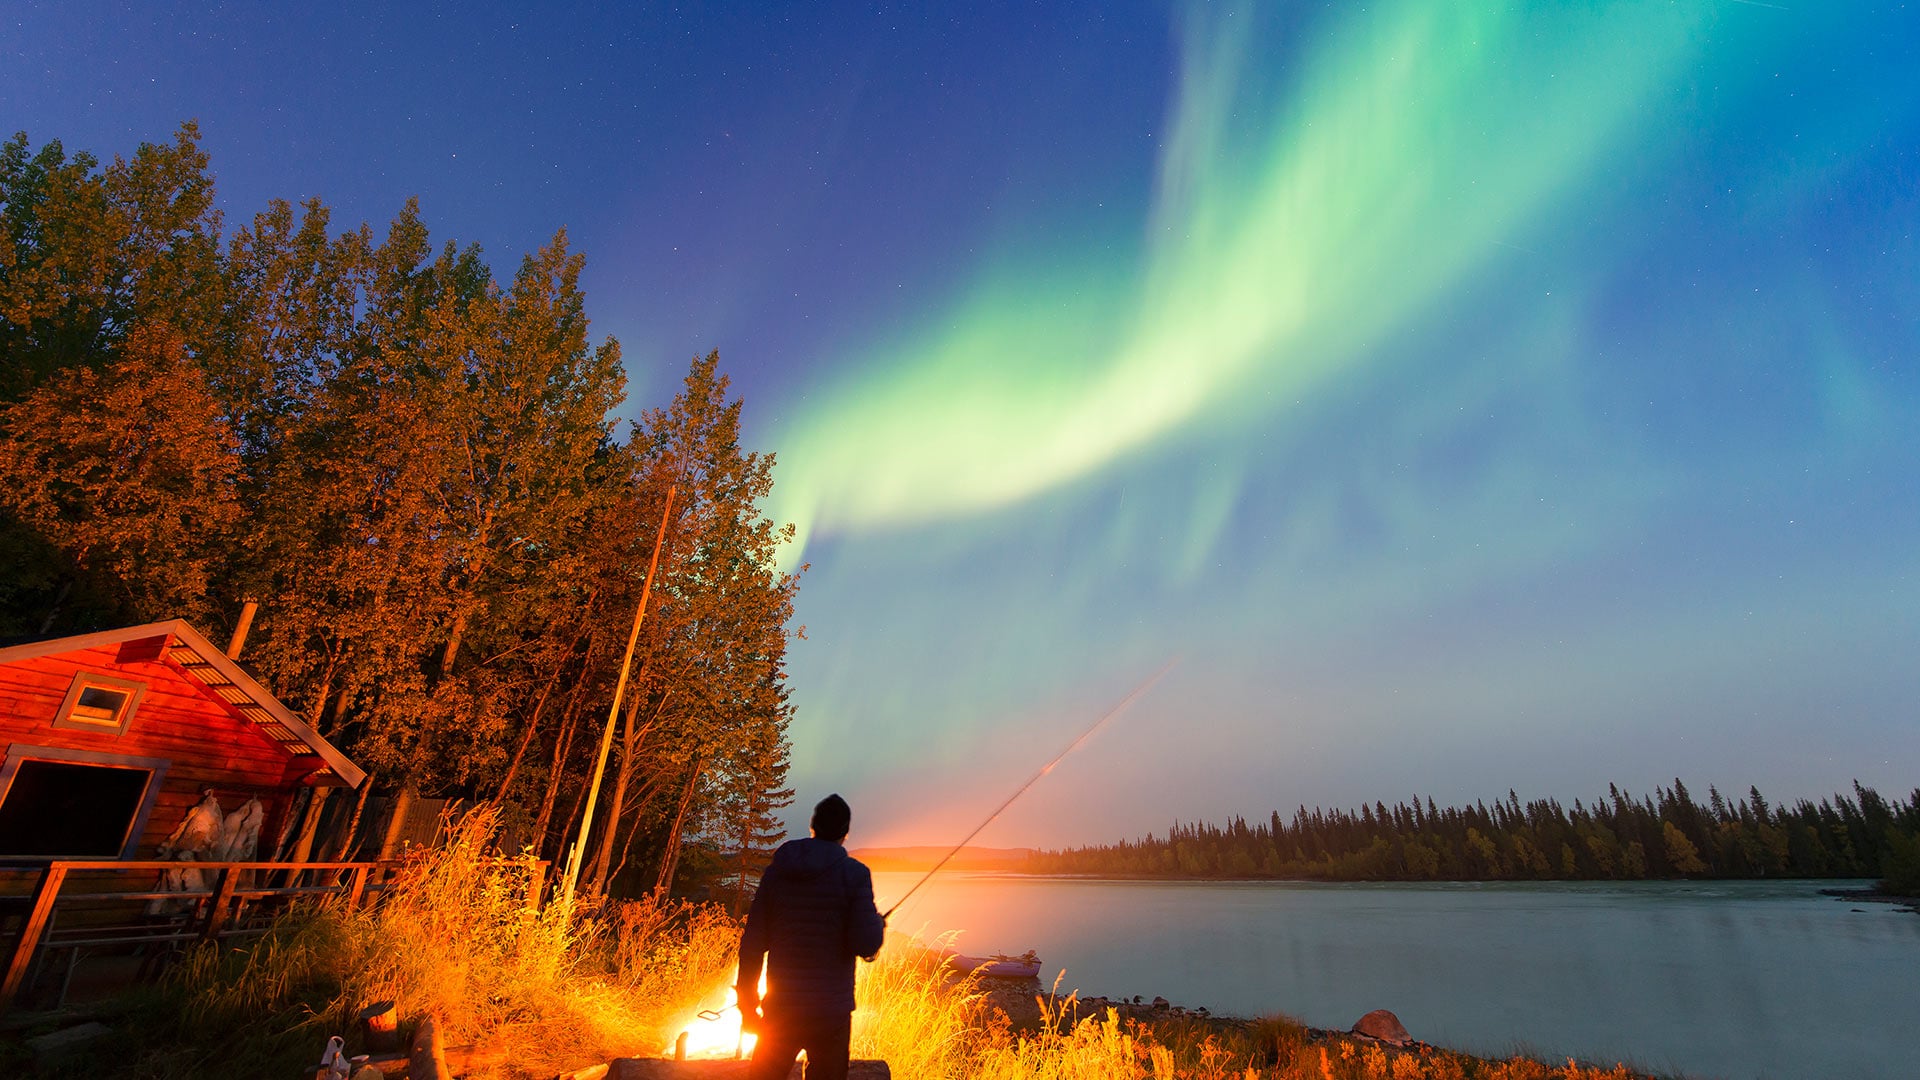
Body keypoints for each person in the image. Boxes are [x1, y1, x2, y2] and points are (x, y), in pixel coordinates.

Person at [736, 793, 886, 1080]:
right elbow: (866, 945)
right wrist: (878, 925)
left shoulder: (777, 873)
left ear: (812, 827)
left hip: (780, 1009)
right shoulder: (854, 875)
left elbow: (752, 945)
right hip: (830, 1016)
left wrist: (747, 1004)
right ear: (845, 833)